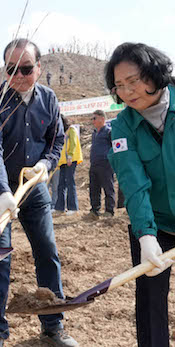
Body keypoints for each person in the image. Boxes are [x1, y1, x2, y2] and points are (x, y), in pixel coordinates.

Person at [0, 38, 77, 347]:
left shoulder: (49, 98)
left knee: (47, 252)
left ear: (39, 68)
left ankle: (52, 326)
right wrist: (4, 193)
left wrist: (46, 164)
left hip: (34, 191)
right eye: (11, 69)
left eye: (26, 69)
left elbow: (55, 140)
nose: (19, 76)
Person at [106, 42, 175, 347]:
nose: (127, 91)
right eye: (119, 85)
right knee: (150, 301)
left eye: (133, 81)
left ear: (154, 73)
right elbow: (132, 180)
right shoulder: (122, 126)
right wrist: (146, 235)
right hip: (154, 222)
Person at [89, 109, 115, 218]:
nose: (92, 121)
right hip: (94, 164)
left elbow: (114, 147)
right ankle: (95, 210)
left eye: (94, 118)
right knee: (94, 188)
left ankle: (109, 211)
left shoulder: (109, 132)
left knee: (108, 187)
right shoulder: (94, 133)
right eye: (92, 118)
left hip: (105, 164)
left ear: (102, 119)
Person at [54, 117, 83, 215]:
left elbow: (73, 144)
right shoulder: (61, 132)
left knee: (70, 183)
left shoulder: (72, 130)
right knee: (61, 184)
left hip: (71, 159)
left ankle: (73, 208)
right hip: (62, 161)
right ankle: (59, 207)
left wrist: (70, 156)